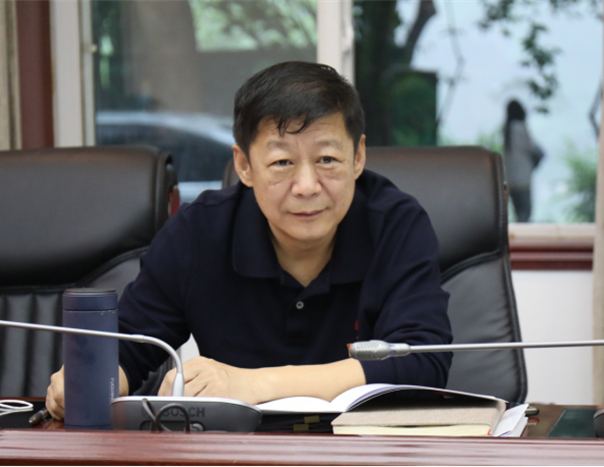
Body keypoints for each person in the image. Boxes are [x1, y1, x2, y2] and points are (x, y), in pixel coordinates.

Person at [46, 61, 452, 419]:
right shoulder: (199, 232)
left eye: (327, 159)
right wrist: (87, 382)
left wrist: (252, 384)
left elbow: (422, 363)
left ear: (358, 157)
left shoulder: (396, 224)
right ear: (244, 165)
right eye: (282, 162)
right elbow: (130, 348)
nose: (307, 186)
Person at [503, 99, 544, 222]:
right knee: (525, 214)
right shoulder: (519, 128)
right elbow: (531, 147)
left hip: (511, 179)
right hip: (523, 179)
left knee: (518, 214)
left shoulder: (508, 130)